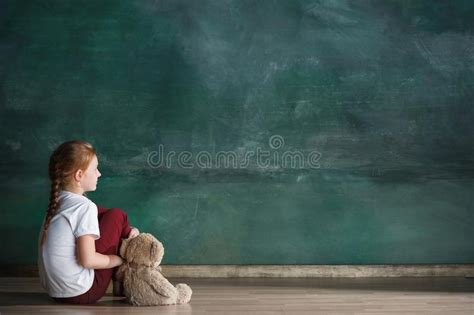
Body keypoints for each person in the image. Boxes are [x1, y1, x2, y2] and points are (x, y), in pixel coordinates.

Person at [37, 140, 140, 304]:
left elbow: (97, 212)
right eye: (95, 169)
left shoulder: (58, 202)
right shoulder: (84, 207)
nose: (99, 174)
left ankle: (127, 231)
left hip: (56, 292)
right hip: (83, 292)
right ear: (79, 175)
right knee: (117, 214)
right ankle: (127, 238)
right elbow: (88, 260)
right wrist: (120, 259)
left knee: (106, 214)